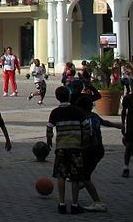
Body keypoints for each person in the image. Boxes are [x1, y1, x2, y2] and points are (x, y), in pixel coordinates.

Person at [46, 85, 87, 214]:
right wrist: (85, 140)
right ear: (69, 96)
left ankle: (62, 203)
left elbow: (49, 128)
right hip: (75, 147)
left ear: (57, 98)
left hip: (62, 147)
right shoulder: (77, 111)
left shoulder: (55, 112)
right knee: (75, 177)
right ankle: (75, 204)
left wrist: (49, 141)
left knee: (61, 176)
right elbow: (86, 126)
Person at [76, 95, 120, 212]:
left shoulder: (86, 122)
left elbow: (92, 139)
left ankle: (97, 201)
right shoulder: (94, 116)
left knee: (85, 177)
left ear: (81, 109)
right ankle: (80, 183)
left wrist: (82, 148)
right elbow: (105, 122)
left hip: (92, 150)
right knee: (84, 174)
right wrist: (118, 126)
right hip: (98, 150)